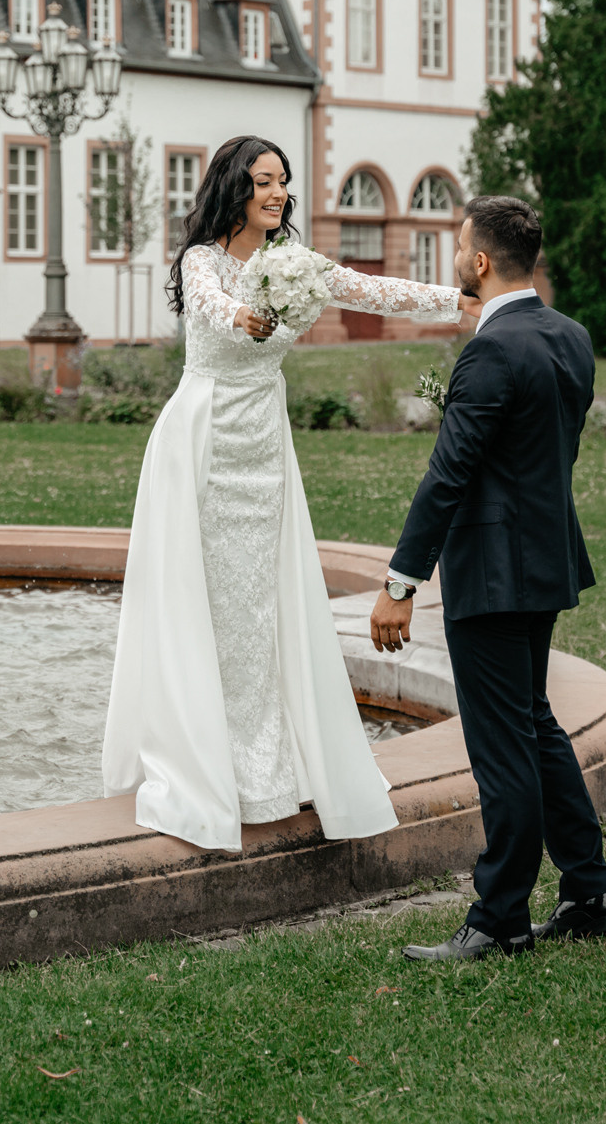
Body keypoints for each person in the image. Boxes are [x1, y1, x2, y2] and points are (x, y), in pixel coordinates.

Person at [102, 135, 466, 851]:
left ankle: (268, 762)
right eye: (262, 181)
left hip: (264, 446)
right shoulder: (201, 259)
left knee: (259, 605)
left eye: (282, 182)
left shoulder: (293, 263)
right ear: (232, 187)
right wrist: (240, 315)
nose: (276, 193)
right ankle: (203, 758)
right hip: (201, 442)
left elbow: (375, 288)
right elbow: (206, 301)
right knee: (203, 600)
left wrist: (463, 301)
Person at [370, 194, 606, 960]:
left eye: (458, 247)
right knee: (534, 724)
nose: (455, 258)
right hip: (545, 557)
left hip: (491, 570)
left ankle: (499, 917)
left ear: (479, 261)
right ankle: (591, 892)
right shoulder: (570, 336)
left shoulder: (488, 350)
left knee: (501, 743)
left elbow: (449, 472)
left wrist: (399, 583)